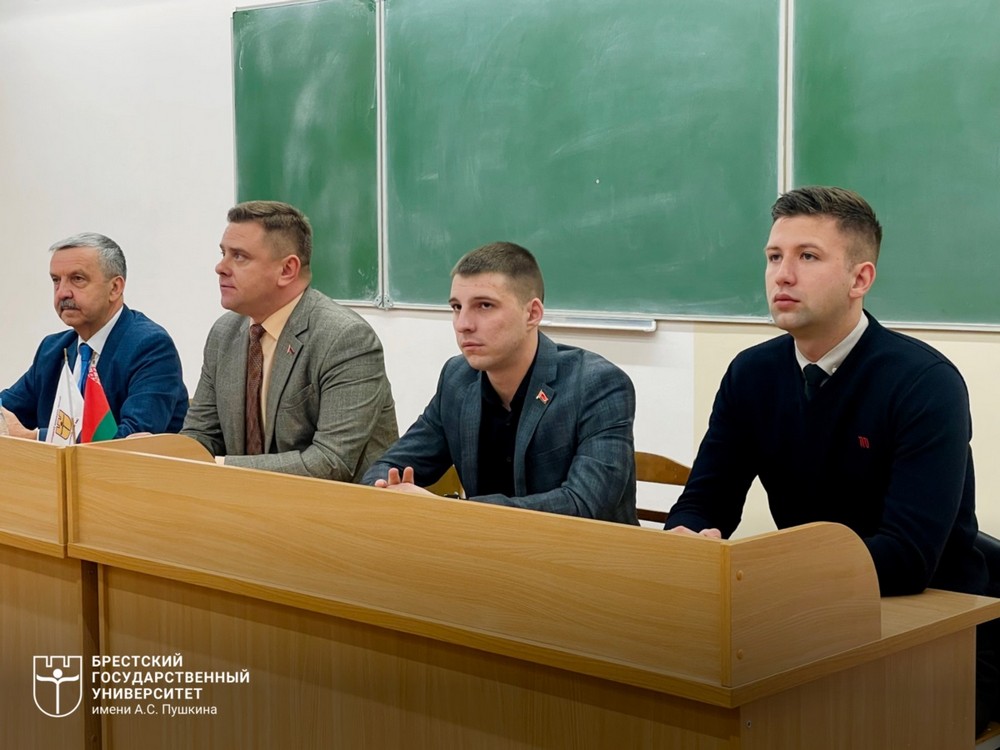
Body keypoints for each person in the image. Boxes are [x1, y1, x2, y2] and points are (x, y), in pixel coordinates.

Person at [664, 185, 997, 731]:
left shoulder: (924, 382)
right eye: (774, 257)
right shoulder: (751, 374)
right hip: (813, 615)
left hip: (943, 630)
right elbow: (705, 500)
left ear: (859, 279)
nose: (782, 275)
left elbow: (907, 557)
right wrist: (687, 540)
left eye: (808, 257)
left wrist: (758, 575)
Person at [362, 242, 637, 524]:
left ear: (532, 314)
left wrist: (449, 510)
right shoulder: (457, 378)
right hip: (485, 546)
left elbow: (585, 505)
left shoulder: (597, 384)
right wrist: (385, 489)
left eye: (484, 306)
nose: (463, 324)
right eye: (457, 307)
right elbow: (389, 466)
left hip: (578, 550)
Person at [181, 200, 397, 480]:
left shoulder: (345, 339)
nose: (220, 267)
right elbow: (202, 434)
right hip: (242, 498)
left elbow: (331, 462)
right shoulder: (224, 333)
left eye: (240, 256)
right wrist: (164, 452)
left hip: (332, 504)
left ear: (287, 270)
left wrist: (218, 467)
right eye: (223, 253)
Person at [0, 233, 187, 439]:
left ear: (115, 288)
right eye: (56, 280)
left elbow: (130, 440)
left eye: (77, 279)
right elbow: (6, 410)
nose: (62, 293)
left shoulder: (150, 346)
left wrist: (34, 438)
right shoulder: (52, 349)